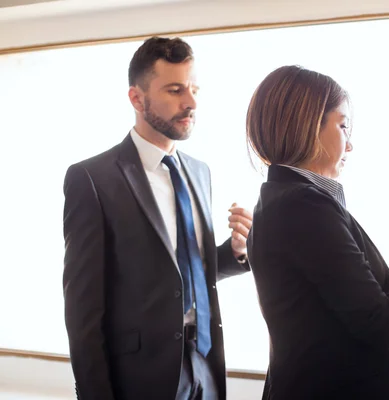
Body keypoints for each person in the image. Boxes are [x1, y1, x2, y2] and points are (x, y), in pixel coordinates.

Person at [245, 65, 389, 400]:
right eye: (343, 125)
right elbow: (383, 325)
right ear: (309, 126)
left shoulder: (283, 200)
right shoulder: (303, 206)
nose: (350, 145)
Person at [62, 37, 253, 400]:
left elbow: (187, 274)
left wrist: (236, 251)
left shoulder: (200, 172)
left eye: (194, 88)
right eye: (175, 89)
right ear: (137, 98)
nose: (191, 102)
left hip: (206, 367)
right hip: (139, 378)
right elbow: (82, 311)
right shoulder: (92, 179)